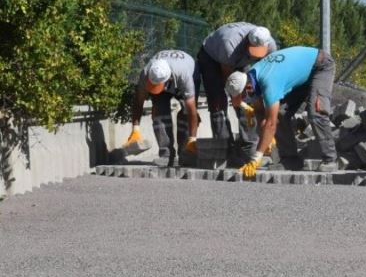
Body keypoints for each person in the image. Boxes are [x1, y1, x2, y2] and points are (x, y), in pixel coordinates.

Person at [224, 46, 339, 178]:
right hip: (302, 74)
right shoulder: (251, 79)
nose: (245, 100)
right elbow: (260, 113)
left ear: (248, 88)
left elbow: (271, 123)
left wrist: (256, 157)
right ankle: (291, 160)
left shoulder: (268, 82)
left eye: (243, 97)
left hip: (320, 65)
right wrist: (265, 138)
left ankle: (330, 159)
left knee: (316, 112)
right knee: (280, 114)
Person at [196, 22, 276, 145]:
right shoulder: (230, 45)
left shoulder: (270, 46)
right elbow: (230, 81)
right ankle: (224, 144)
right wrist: (237, 98)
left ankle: (250, 143)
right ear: (248, 42)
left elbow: (269, 73)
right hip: (211, 57)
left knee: (249, 96)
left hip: (240, 59)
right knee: (217, 100)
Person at [123, 50, 199, 167]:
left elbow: (191, 110)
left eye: (157, 86)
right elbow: (138, 101)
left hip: (190, 72)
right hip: (169, 75)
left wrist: (192, 138)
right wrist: (135, 129)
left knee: (186, 112)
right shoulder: (146, 73)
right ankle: (166, 154)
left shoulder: (184, 76)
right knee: (159, 110)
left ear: (168, 80)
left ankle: (186, 153)